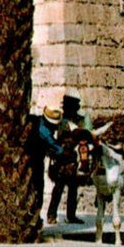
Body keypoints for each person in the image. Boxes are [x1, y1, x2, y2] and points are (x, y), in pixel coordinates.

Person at [47, 92, 86, 224]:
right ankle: (51, 215)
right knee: (58, 187)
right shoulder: (61, 121)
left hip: (74, 158)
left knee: (73, 188)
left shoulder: (80, 121)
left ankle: (71, 215)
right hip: (62, 158)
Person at [30, 106, 62, 222]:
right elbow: (56, 147)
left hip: (37, 160)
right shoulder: (44, 131)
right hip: (34, 161)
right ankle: (35, 216)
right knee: (38, 188)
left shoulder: (39, 122)